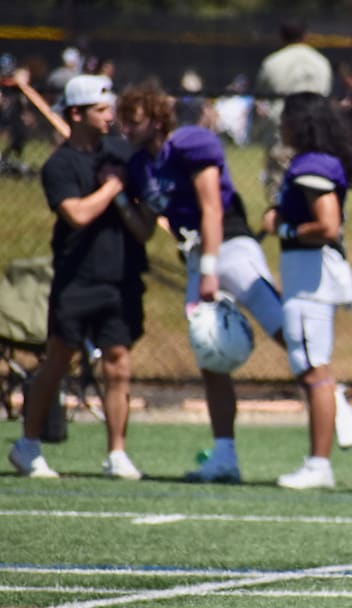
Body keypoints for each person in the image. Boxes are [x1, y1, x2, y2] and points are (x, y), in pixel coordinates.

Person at [117, 84, 287, 483]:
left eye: (134, 121)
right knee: (210, 354)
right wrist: (120, 197)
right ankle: (225, 455)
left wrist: (210, 268)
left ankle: (330, 394)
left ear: (157, 119)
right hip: (196, 256)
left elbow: (212, 208)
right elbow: (144, 230)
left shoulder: (190, 142)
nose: (125, 129)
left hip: (228, 246)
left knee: (281, 326)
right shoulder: (140, 166)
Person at [8, 75, 149, 480]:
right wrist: (112, 189)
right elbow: (77, 214)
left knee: (119, 364)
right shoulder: (61, 165)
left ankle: (117, 453)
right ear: (76, 114)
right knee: (58, 360)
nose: (110, 117)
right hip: (77, 279)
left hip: (119, 276)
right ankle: (28, 445)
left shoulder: (120, 153)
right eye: (101, 110)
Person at [260, 92, 352, 489]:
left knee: (312, 367)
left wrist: (284, 228)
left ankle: (319, 463)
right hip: (309, 275)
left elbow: (327, 225)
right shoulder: (318, 162)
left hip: (310, 278)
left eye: (287, 119)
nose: (282, 126)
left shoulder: (311, 165)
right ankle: (320, 457)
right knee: (312, 365)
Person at [254, 18, 333, 204]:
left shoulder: (272, 62)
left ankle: (280, 216)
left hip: (282, 128)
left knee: (278, 179)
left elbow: (260, 95)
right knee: (315, 175)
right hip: (317, 129)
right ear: (306, 36)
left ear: (281, 36)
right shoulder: (321, 62)